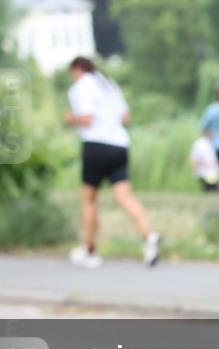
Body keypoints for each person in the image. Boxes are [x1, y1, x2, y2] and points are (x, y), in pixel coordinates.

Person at [64, 56, 161, 268]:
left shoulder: (81, 86)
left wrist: (71, 119)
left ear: (78, 69)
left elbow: (87, 118)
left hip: (96, 145)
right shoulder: (109, 84)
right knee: (124, 197)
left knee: (89, 199)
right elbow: (125, 117)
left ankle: (89, 250)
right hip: (119, 145)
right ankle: (149, 236)